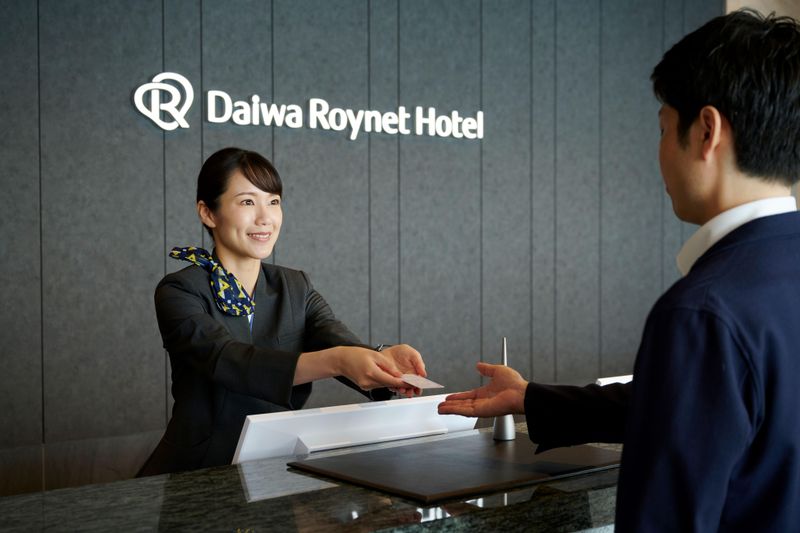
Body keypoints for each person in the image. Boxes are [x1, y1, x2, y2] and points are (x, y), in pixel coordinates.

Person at [439, 10, 800, 532]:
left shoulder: (701, 313)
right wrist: (531, 399)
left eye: (663, 128)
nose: (659, 153)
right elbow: (704, 405)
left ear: (706, 131)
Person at [139, 147, 425, 476]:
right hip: (195, 472)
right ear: (208, 213)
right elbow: (229, 360)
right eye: (247, 202)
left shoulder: (294, 285)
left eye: (273, 201)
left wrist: (383, 361)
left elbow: (335, 338)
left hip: (273, 469)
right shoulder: (179, 291)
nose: (265, 218)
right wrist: (338, 360)